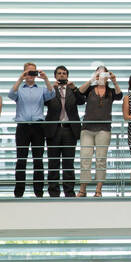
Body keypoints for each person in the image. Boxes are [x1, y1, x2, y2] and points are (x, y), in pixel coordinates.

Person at [8, 62, 54, 198]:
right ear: (24, 73)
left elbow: (52, 94)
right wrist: (20, 78)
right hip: (22, 127)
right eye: (28, 72)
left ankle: (38, 192)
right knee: (21, 159)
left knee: (38, 160)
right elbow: (11, 94)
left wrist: (45, 79)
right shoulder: (19, 89)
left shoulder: (41, 89)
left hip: (38, 127)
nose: (31, 75)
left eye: (33, 72)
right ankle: (18, 192)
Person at [75, 66, 122, 198]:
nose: (101, 76)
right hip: (87, 129)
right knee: (85, 158)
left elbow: (119, 95)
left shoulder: (111, 91)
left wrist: (114, 81)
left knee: (101, 159)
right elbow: (79, 92)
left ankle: (98, 190)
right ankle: (83, 189)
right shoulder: (90, 89)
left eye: (103, 74)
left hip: (104, 129)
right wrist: (91, 80)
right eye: (99, 73)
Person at [43, 65, 87, 198]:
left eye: (64, 73)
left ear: (67, 76)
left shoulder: (72, 90)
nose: (62, 75)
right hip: (54, 130)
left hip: (69, 130)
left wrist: (73, 88)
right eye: (59, 74)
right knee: (53, 162)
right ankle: (53, 192)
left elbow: (81, 101)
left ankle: (69, 192)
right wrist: (52, 87)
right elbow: (44, 101)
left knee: (68, 162)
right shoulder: (50, 90)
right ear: (55, 76)